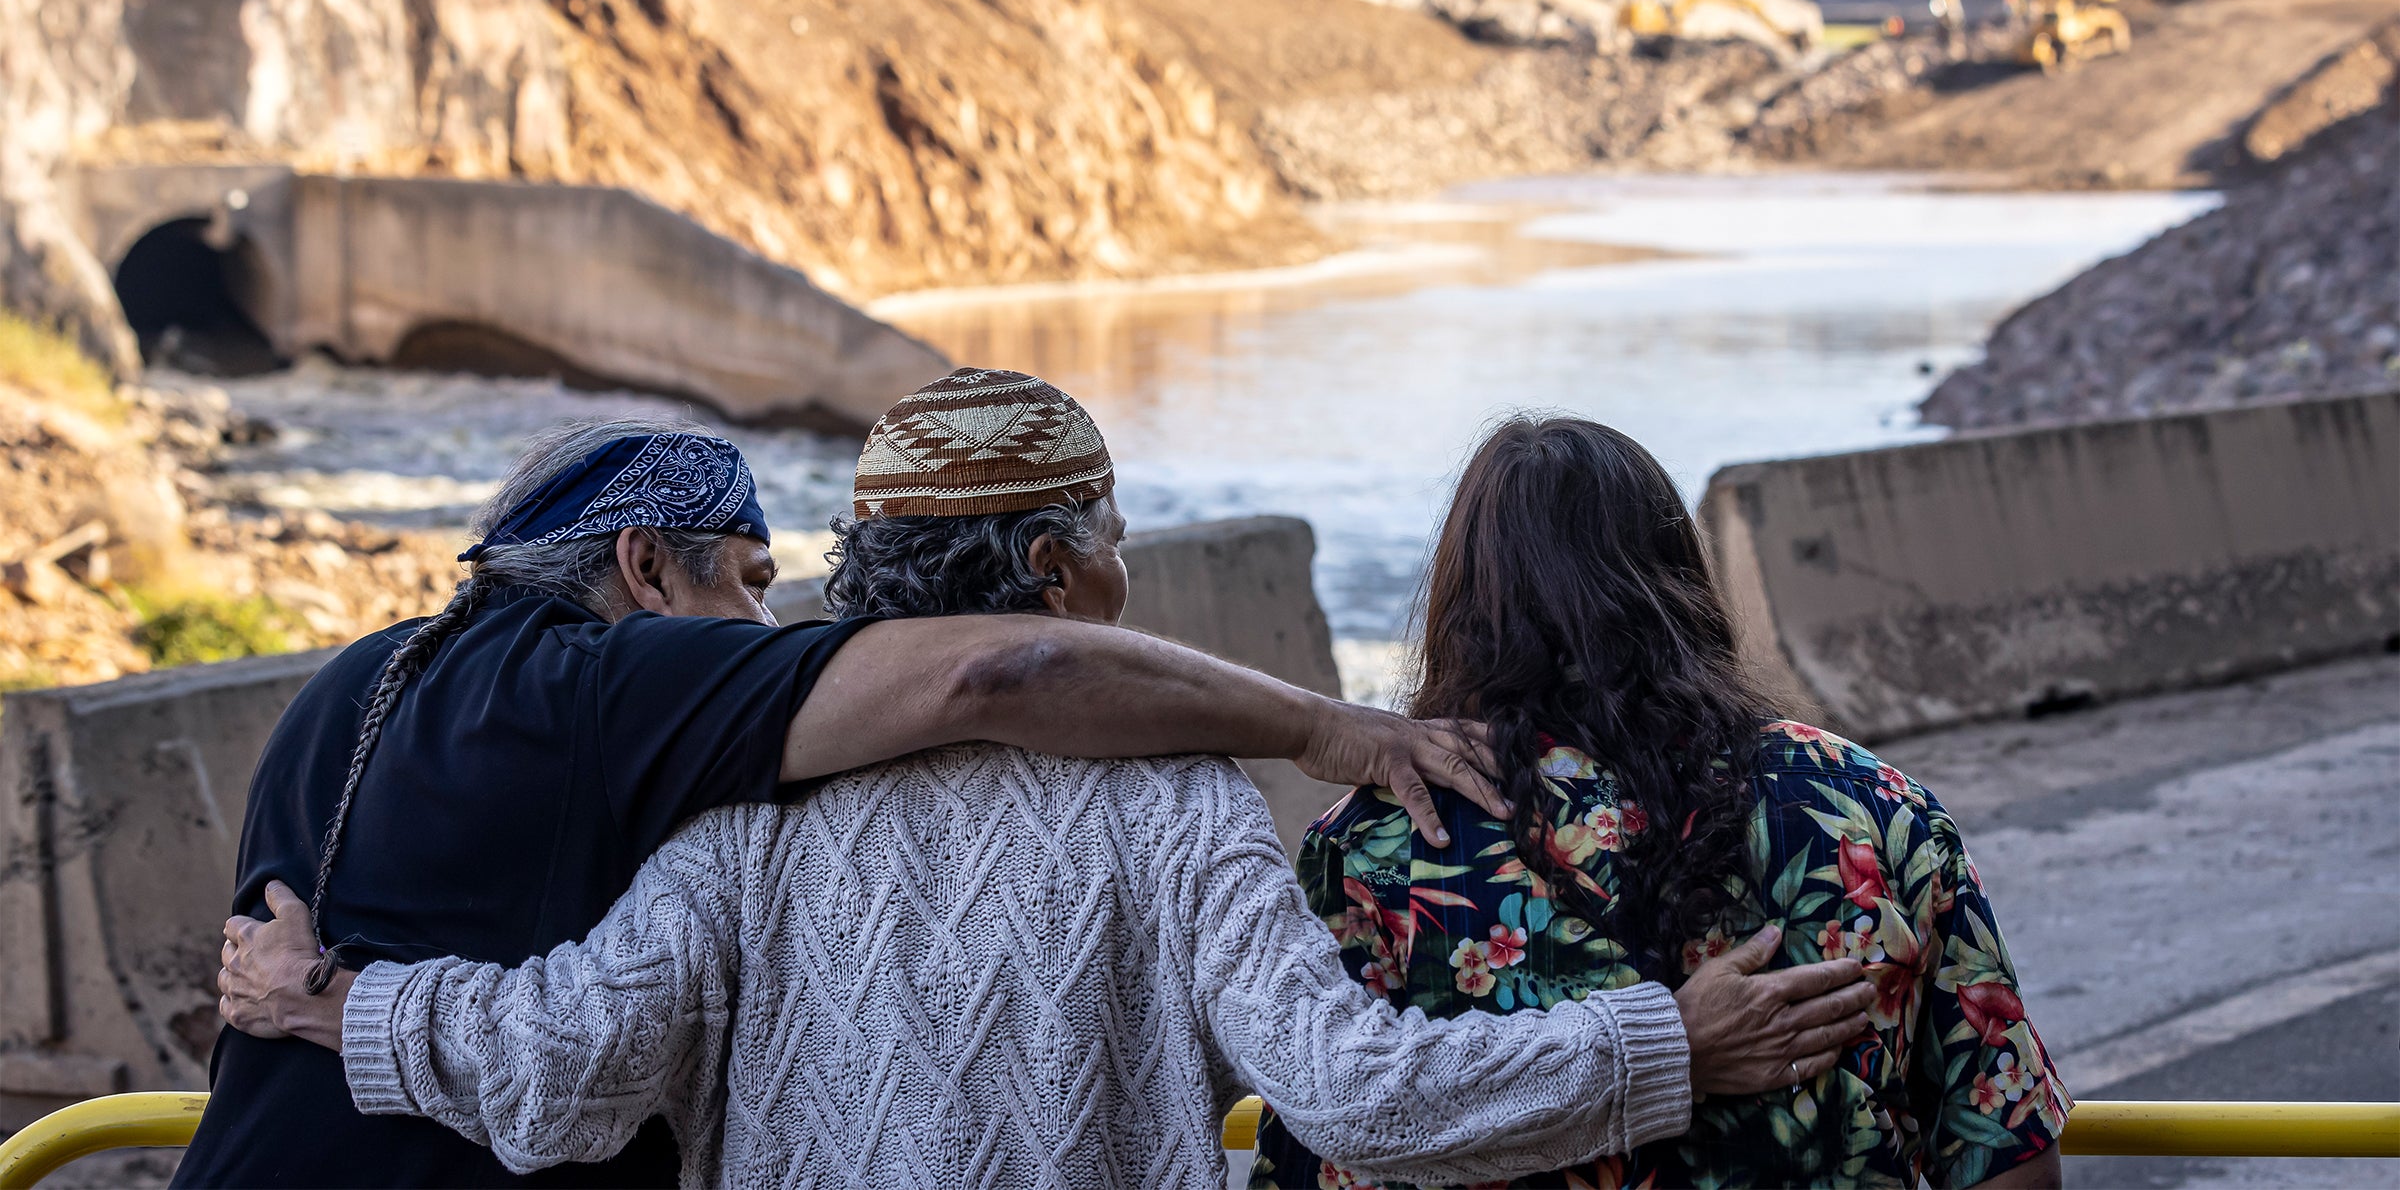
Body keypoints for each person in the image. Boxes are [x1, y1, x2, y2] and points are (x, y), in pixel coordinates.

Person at [216, 369, 1876, 1188]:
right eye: (1114, 544)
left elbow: (568, 1066)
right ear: (1050, 569)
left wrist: (336, 1008)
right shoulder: (1173, 804)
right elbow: (1360, 1093)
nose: (1127, 580)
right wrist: (1667, 1038)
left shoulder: (738, 812)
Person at [1251, 416, 2070, 1190]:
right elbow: (2003, 1149)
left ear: (1464, 606)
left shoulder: (1374, 849)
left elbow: (1324, 1148)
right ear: (1680, 580)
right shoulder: (1876, 808)